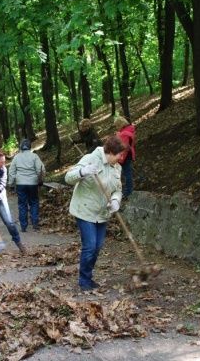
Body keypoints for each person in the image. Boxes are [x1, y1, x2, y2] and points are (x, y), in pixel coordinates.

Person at [65, 136, 124, 291]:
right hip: (85, 210)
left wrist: (116, 200)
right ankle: (84, 280)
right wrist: (82, 171)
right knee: (90, 246)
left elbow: (117, 190)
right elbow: (68, 178)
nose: (121, 158)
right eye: (119, 154)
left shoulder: (117, 167)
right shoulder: (90, 159)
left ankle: (88, 275)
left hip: (102, 213)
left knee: (97, 247)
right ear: (110, 153)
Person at [8, 139, 46, 232]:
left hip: (20, 184)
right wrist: (40, 180)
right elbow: (41, 169)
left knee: (22, 204)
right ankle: (35, 224)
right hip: (33, 183)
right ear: (29, 147)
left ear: (21, 147)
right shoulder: (34, 156)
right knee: (34, 202)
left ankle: (23, 226)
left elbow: (12, 171)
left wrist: (11, 184)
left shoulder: (17, 157)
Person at [114, 116, 136, 199]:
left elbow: (124, 147)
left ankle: (128, 191)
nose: (116, 127)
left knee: (126, 173)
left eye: (116, 125)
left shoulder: (124, 133)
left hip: (125, 155)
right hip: (129, 154)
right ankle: (126, 190)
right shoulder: (129, 130)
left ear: (120, 124)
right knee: (126, 172)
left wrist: (120, 158)